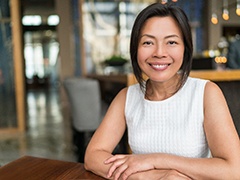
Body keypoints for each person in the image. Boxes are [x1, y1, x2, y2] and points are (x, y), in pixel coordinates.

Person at [84, 3, 240, 179]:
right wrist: (147, 176)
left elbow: (233, 170)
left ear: (185, 49)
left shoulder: (206, 93)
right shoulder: (126, 97)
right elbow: (93, 156)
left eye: (171, 42)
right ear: (135, 49)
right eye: (148, 42)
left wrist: (157, 160)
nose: (159, 53)